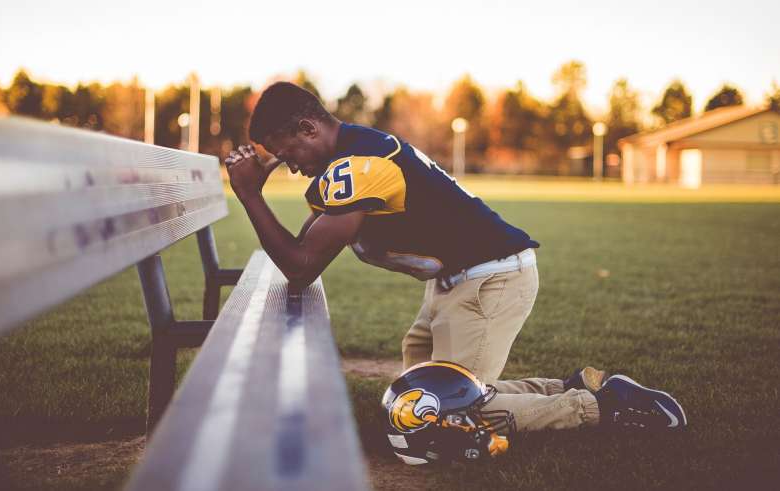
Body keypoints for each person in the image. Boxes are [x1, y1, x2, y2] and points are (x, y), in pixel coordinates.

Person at [224, 82, 686, 443]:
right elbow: (301, 251)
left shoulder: (357, 164)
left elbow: (302, 265)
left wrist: (248, 195)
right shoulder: (350, 155)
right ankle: (574, 385)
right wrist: (254, 195)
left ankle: (607, 407)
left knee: (448, 412)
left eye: (288, 154)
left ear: (309, 128)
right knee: (416, 397)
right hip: (458, 281)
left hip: (489, 280)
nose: (290, 166)